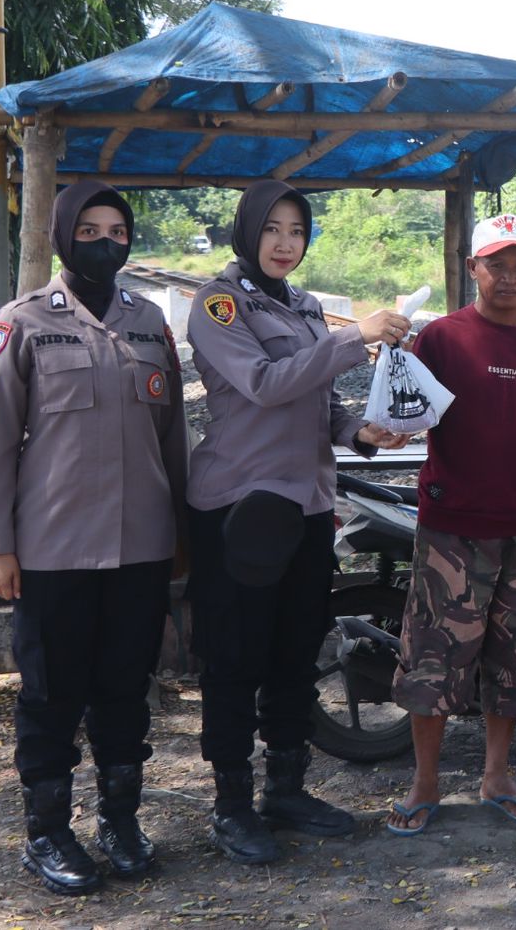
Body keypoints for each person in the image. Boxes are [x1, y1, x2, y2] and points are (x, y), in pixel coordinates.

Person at [0, 180, 188, 894]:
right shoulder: (24, 321)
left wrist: (182, 529)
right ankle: (48, 833)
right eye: (90, 230)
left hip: (141, 544)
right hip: (53, 546)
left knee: (127, 688)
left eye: (117, 230)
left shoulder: (151, 325)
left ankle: (119, 822)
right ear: (66, 236)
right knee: (51, 694)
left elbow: (173, 441)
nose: (106, 241)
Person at [186, 179, 411, 862]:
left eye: (297, 231)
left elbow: (312, 405)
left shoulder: (307, 307)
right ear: (247, 231)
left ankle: (285, 790)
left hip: (308, 506)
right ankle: (230, 808)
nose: (286, 243)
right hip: (240, 509)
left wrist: (363, 432)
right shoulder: (219, 303)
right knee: (233, 662)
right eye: (273, 229)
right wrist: (354, 340)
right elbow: (263, 385)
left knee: (293, 653)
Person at [385, 213, 516, 835]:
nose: (509, 276)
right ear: (473, 268)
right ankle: (424, 784)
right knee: (434, 660)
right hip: (451, 530)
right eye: (496, 264)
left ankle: (497, 775)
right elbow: (401, 415)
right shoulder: (442, 339)